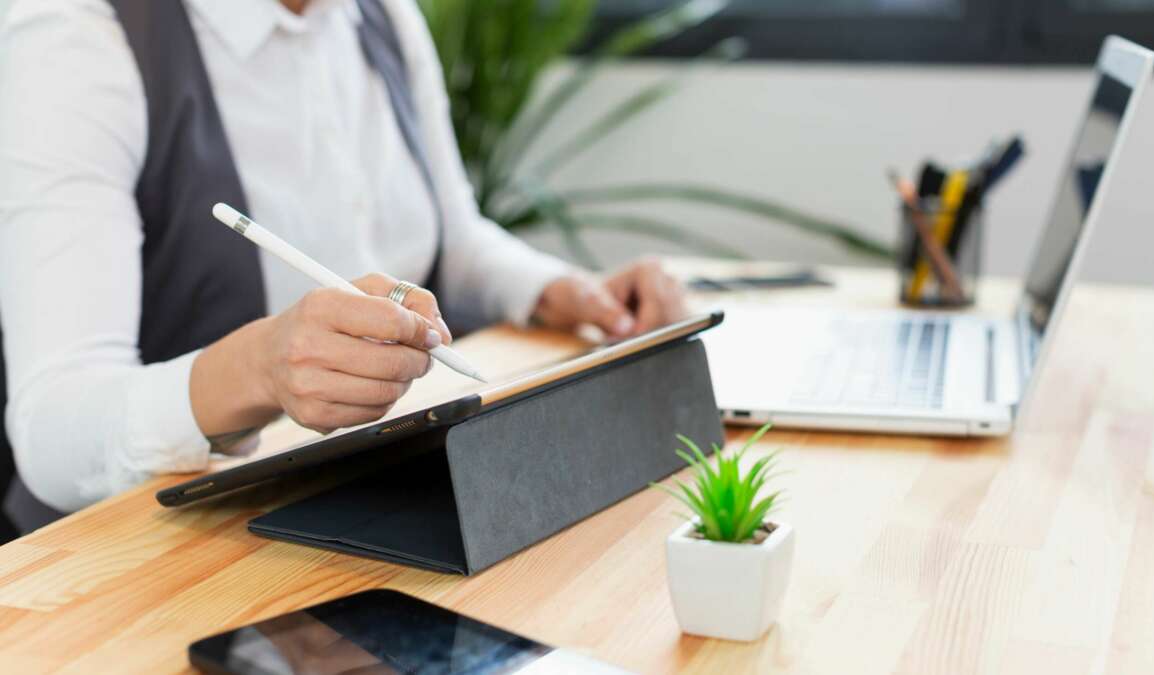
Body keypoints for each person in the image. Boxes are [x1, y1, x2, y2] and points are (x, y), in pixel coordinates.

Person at [0, 0, 686, 535]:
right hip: (145, 564)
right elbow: (51, 428)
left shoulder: (380, 15)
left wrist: (562, 290)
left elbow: (450, 232)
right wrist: (260, 368)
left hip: (356, 506)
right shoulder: (79, 35)